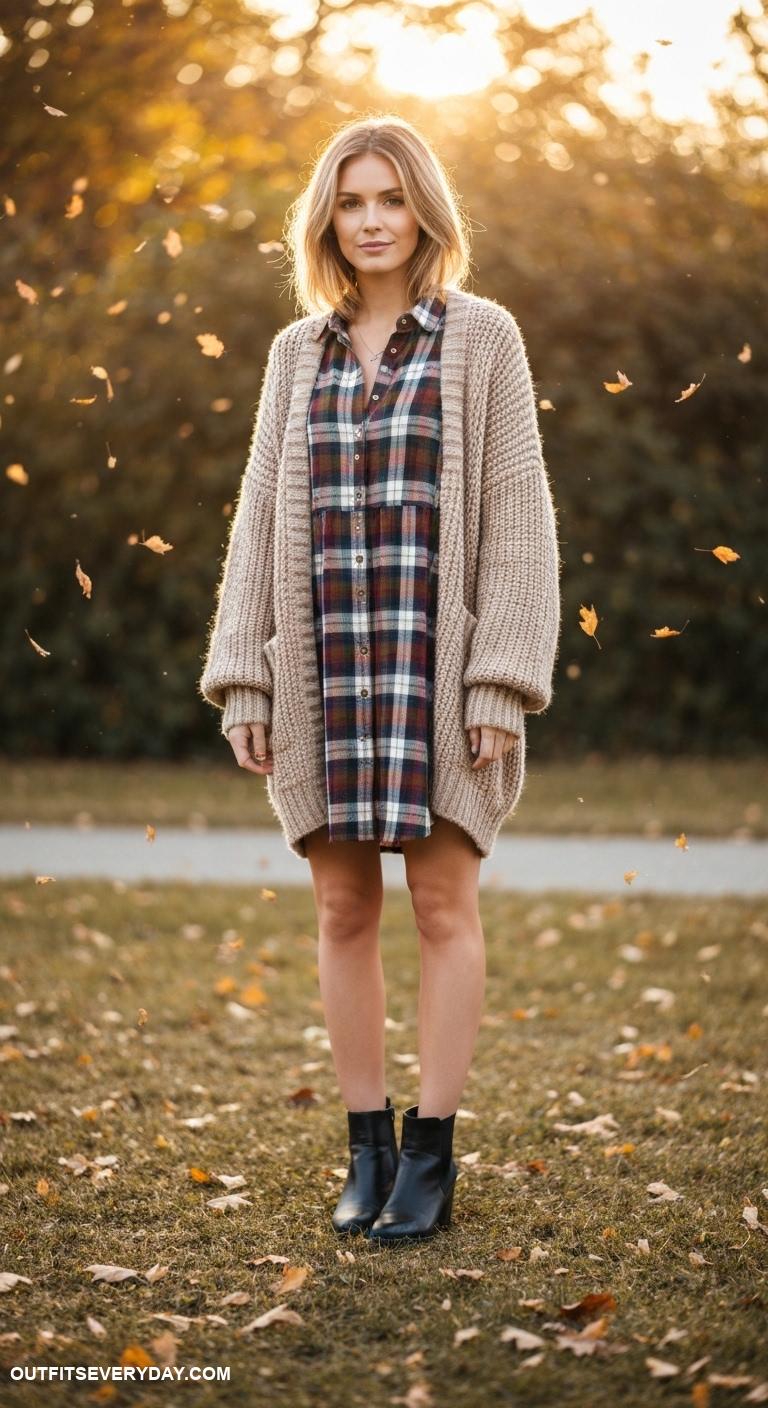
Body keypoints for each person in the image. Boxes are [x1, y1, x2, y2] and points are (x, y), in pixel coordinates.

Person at [198, 114, 561, 1244]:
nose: (371, 220)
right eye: (351, 201)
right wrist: (244, 675)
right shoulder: (293, 354)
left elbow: (518, 521)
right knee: (343, 906)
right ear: (326, 219)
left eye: (391, 199)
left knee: (443, 905)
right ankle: (367, 1150)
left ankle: (430, 1154)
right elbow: (259, 520)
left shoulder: (483, 338)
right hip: (322, 670)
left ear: (424, 212)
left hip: (433, 671)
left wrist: (500, 678)